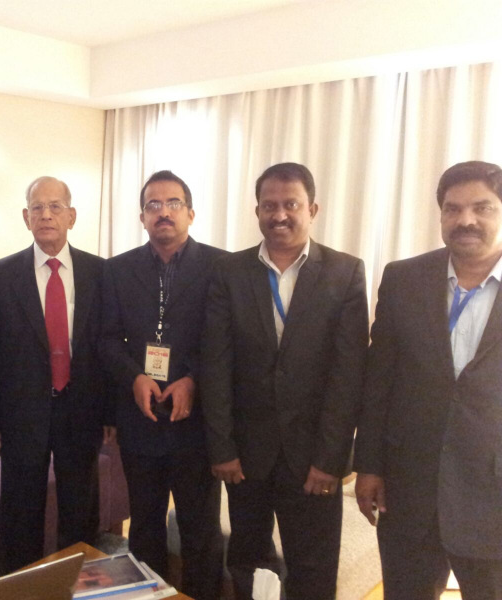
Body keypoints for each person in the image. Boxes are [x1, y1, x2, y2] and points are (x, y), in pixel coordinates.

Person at [201, 162, 368, 599]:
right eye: (269, 205)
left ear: (312, 209)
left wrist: (331, 459)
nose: (279, 215)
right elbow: (215, 366)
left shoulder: (345, 272)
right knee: (247, 563)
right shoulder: (230, 271)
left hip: (313, 458)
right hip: (246, 457)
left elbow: (348, 375)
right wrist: (222, 448)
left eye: (291, 204)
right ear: (256, 210)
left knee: (313, 568)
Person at [354, 160, 502, 600]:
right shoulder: (405, 279)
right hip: (408, 487)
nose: (465, 220)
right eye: (452, 209)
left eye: (482, 208)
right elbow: (379, 379)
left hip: (491, 493)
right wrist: (369, 464)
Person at [100, 170, 224, 600]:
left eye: (173, 203)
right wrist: (134, 376)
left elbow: (226, 341)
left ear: (191, 213)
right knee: (145, 528)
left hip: (197, 423)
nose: (163, 212)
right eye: (153, 205)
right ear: (142, 217)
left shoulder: (221, 267)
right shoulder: (117, 270)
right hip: (141, 419)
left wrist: (193, 379)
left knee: (200, 530)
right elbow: (106, 339)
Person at [0, 176, 111, 571]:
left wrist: (110, 413)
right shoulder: (0, 275)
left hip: (81, 409)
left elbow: (107, 348)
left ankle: (75, 585)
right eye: (37, 208)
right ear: (26, 217)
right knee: (21, 514)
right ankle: (24, 587)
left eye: (55, 207)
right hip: (22, 414)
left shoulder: (100, 272)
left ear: (72, 216)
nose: (46, 215)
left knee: (80, 512)